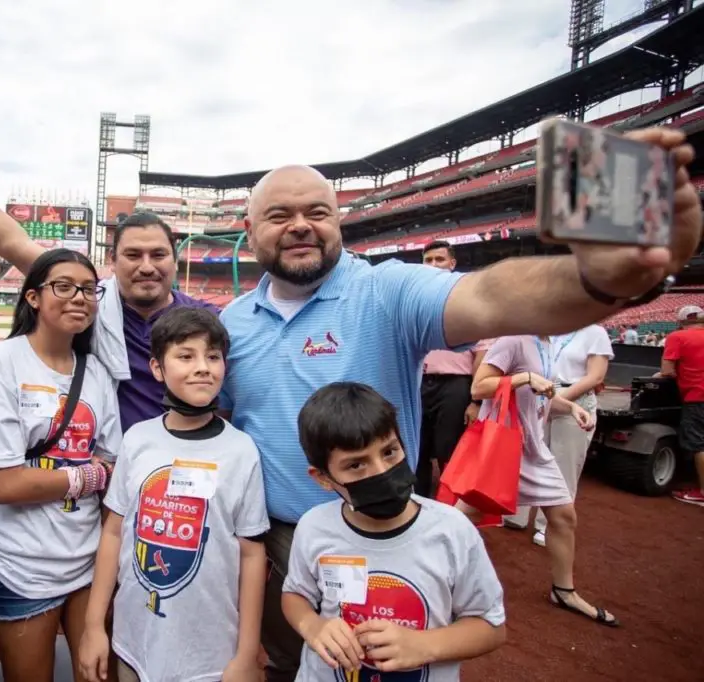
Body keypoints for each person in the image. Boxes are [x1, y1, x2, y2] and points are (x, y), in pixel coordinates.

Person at [217, 128, 699, 680]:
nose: (301, 224)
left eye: (318, 211)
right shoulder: (232, 323)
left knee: (391, 664)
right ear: (250, 230)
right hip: (279, 536)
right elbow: (231, 419)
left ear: (339, 221)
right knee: (293, 660)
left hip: (383, 531)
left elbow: (491, 296)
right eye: (280, 215)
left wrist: (597, 280)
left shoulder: (387, 292)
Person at [0, 120, 217, 432]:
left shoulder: (204, 320)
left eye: (158, 254)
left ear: (175, 259)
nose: (146, 266)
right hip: (100, 462)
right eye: (132, 255)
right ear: (113, 261)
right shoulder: (89, 301)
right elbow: (13, 242)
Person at [79, 307, 269, 682]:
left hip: (209, 655)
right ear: (156, 368)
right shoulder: (137, 440)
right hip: (135, 642)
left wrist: (246, 653)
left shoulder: (241, 450)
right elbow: (114, 533)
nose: (203, 367)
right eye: (186, 356)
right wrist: (93, 626)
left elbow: (252, 554)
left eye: (213, 356)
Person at [0, 249, 122, 682]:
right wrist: (87, 475)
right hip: (18, 562)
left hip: (87, 558)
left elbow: (111, 462)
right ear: (33, 298)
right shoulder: (0, 363)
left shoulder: (97, 374)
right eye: (64, 286)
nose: (79, 298)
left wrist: (83, 475)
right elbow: (8, 485)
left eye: (89, 290)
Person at [282, 383, 506, 681]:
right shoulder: (313, 527)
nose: (380, 471)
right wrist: (313, 626)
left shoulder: (452, 532)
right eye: (356, 464)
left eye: (389, 452)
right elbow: (295, 594)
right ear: (323, 478)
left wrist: (425, 645)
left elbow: (491, 626)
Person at [471, 335, 616, 627]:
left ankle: (563, 591)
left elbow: (540, 396)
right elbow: (479, 386)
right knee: (462, 516)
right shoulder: (513, 340)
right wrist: (524, 377)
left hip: (533, 449)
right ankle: (421, 568)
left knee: (564, 516)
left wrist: (570, 407)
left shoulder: (547, 343)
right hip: (505, 448)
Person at [526, 324, 612, 545]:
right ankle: (517, 514)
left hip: (573, 398)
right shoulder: (551, 329)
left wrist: (559, 399)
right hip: (543, 396)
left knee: (564, 468)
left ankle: (551, 526)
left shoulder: (595, 332)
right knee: (531, 458)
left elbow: (595, 377)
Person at [416, 241, 486, 497]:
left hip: (456, 385)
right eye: (428, 260)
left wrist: (476, 400)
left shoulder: (468, 300)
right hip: (419, 384)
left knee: (450, 448)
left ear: (452, 263)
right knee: (417, 446)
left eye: (439, 259)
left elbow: (481, 355)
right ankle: (418, 502)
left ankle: (450, 504)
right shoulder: (416, 300)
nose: (433, 265)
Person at [660, 305, 704, 507]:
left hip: (697, 395)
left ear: (681, 321)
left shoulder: (678, 337)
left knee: (698, 444)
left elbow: (667, 370)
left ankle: (702, 492)